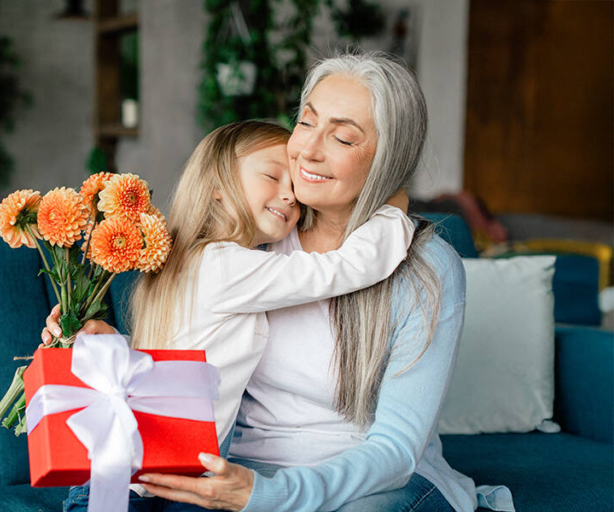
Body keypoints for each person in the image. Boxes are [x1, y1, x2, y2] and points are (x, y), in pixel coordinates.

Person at [131, 52, 516, 512]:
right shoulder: (260, 235)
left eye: (343, 137)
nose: (308, 150)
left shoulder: (426, 269)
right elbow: (181, 342)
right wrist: (93, 339)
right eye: (306, 122)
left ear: (386, 160)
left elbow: (396, 451)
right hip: (243, 470)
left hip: (373, 482)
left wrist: (273, 496)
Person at [44, 119, 416, 511]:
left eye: (295, 188)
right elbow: (340, 270)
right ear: (218, 186)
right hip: (138, 483)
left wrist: (111, 343)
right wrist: (390, 208)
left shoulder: (185, 259)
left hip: (137, 473)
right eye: (273, 177)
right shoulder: (226, 265)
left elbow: (167, 365)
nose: (289, 196)